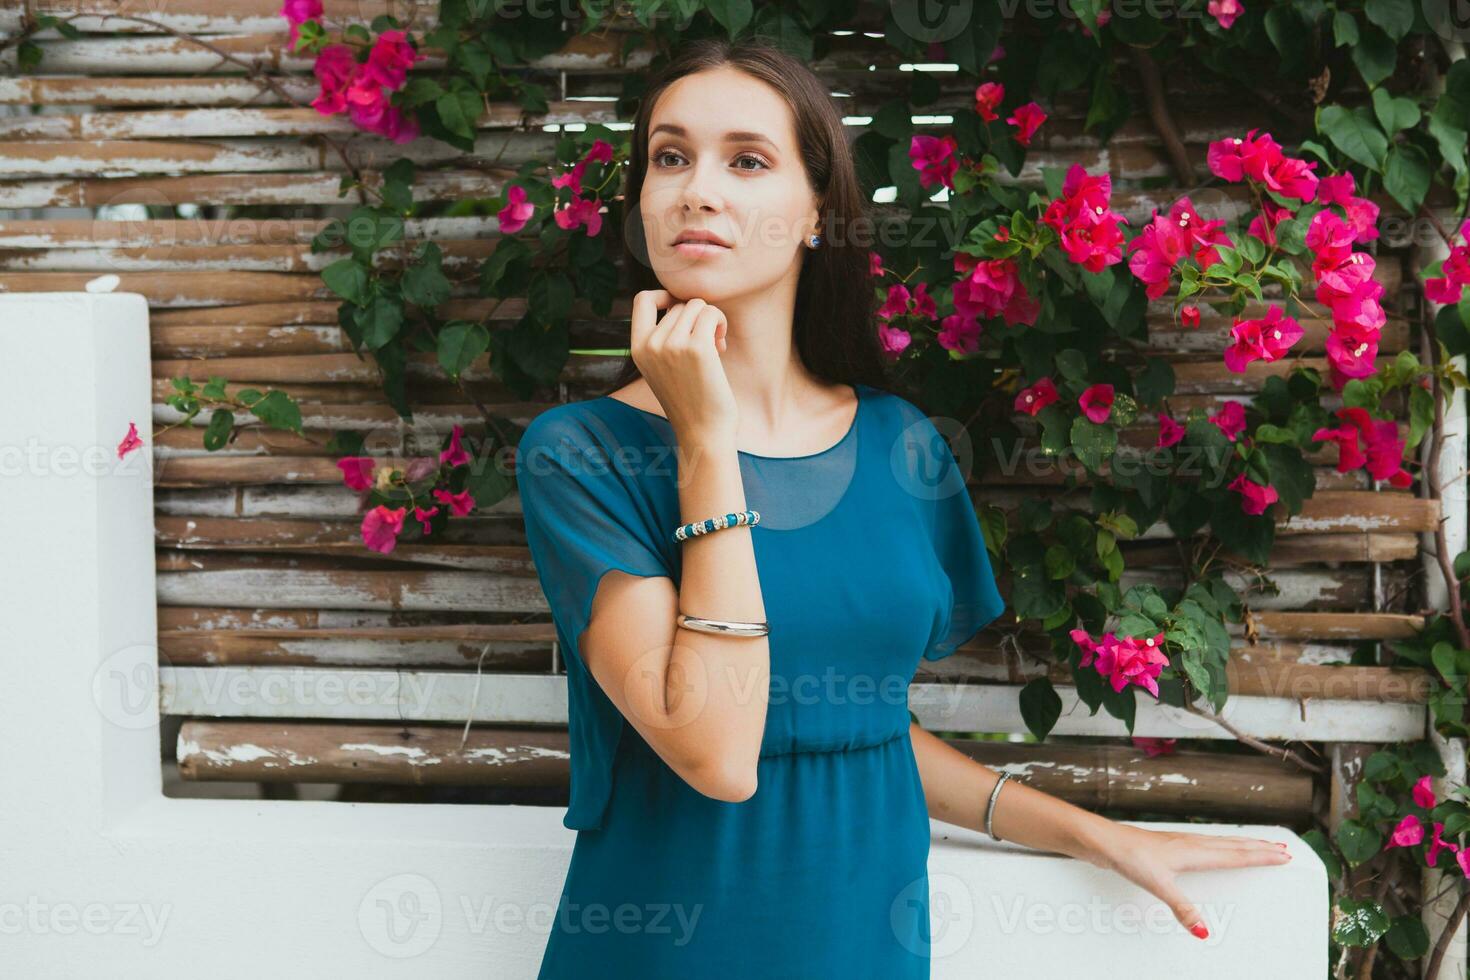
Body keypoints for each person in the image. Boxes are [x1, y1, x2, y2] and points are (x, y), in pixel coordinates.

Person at [515, 37, 1291, 979]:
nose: (697, 189)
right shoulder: (582, 454)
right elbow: (718, 754)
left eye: (747, 160)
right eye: (670, 157)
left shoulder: (901, 447)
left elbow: (859, 733)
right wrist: (705, 442)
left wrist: (1091, 835)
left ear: (816, 214)